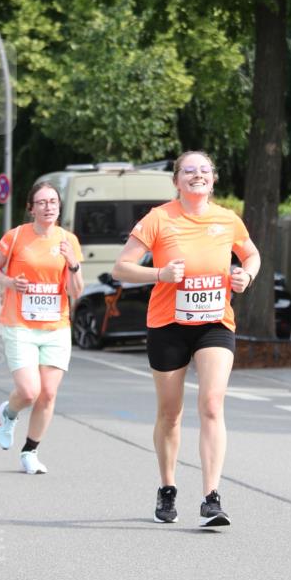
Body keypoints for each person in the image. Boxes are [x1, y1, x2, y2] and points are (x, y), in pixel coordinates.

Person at [112, 150, 260, 527]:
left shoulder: (227, 219)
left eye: (204, 170)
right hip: (168, 323)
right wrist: (159, 274)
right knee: (170, 413)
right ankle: (167, 487)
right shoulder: (159, 218)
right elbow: (121, 267)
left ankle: (211, 497)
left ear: (214, 179)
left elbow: (252, 255)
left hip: (215, 321)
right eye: (189, 171)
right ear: (177, 180)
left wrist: (246, 275)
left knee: (211, 404)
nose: (197, 175)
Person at [0, 181, 83, 474]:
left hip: (56, 326)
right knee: (29, 391)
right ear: (31, 208)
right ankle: (9, 413)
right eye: (41, 202)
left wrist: (73, 263)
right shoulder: (16, 237)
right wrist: (10, 283)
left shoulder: (68, 240)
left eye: (53, 201)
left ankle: (30, 452)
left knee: (48, 394)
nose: (48, 207)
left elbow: (76, 291)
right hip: (20, 324)